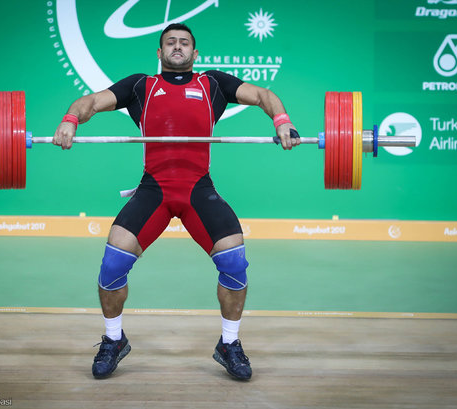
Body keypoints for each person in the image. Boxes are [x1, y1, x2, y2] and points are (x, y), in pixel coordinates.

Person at [53, 23, 300, 381]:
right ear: (160, 52)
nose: (178, 47)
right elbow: (90, 102)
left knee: (234, 261)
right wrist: (70, 119)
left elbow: (264, 95)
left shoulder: (212, 83)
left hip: (198, 190)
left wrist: (282, 122)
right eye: (170, 42)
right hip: (154, 190)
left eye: (185, 43)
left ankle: (229, 344)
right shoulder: (141, 86)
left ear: (195, 53)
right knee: (111, 266)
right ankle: (113, 339)